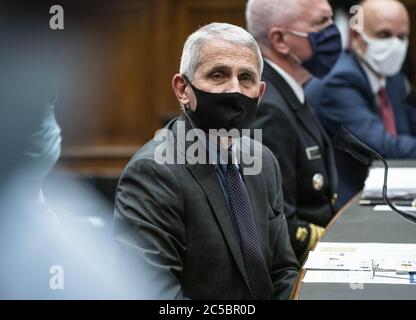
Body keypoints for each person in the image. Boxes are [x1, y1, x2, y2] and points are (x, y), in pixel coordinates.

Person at [113, 22, 299, 300]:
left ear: (259, 94)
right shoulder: (154, 172)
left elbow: (283, 270)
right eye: (218, 75)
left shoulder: (263, 160)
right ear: (182, 89)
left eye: (245, 78)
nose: (233, 90)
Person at [245, 0, 340, 261]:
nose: (333, 31)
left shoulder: (291, 90)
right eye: (321, 22)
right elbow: (279, 226)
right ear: (280, 40)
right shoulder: (270, 109)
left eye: (331, 19)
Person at [305, 0, 416, 207]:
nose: (395, 45)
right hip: (351, 201)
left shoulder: (393, 78)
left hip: (394, 189)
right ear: (356, 37)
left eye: (402, 37)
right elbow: (381, 149)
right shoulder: (337, 80)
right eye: (384, 35)